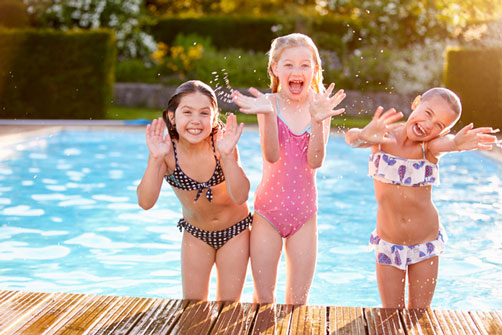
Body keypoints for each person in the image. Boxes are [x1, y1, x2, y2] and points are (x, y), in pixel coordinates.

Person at [345, 87, 498, 308]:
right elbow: (352, 140)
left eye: (439, 125)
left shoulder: (430, 148)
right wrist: (362, 134)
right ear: (416, 103)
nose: (428, 125)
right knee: (391, 315)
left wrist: (456, 144)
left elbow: (449, 143)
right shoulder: (382, 137)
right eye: (428, 113)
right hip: (389, 244)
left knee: (419, 314)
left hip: (425, 245)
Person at [232, 33, 346, 304]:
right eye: (289, 65)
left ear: (315, 70)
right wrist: (269, 115)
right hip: (267, 213)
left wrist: (318, 121)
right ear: (274, 68)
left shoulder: (320, 106)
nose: (297, 72)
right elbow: (271, 155)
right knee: (263, 299)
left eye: (305, 65)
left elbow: (315, 161)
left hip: (304, 215)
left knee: (298, 301)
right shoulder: (268, 104)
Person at [137, 80, 251, 302]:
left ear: (214, 116)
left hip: (234, 232)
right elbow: (145, 201)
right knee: (192, 306)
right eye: (187, 112)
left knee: (228, 307)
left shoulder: (221, 144)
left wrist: (228, 156)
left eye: (204, 113)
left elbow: (241, 196)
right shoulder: (167, 151)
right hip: (196, 235)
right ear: (172, 116)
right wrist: (155, 159)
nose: (196, 121)